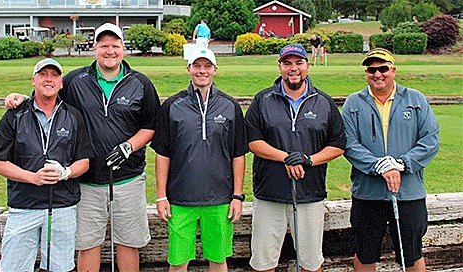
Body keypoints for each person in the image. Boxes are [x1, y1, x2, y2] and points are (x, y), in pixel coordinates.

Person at [4, 23, 161, 271]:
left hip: (128, 179)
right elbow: (48, 94)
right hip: (86, 182)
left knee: (128, 243)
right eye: (103, 46)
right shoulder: (76, 80)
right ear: (94, 49)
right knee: (88, 244)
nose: (110, 51)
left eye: (115, 45)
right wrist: (21, 98)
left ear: (123, 49)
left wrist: (128, 147)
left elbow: (151, 125)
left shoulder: (140, 83)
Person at [245, 44, 346, 272]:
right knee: (263, 262)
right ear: (279, 66)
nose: (293, 68)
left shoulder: (324, 102)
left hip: (309, 193)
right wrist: (286, 158)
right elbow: (252, 141)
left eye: (299, 63)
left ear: (307, 66)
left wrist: (308, 160)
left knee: (311, 263)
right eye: (287, 63)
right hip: (270, 192)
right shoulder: (263, 100)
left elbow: (338, 144)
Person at [0, 58, 93, 271]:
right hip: (23, 206)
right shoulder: (15, 115)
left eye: (54, 75)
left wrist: (65, 173)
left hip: (62, 206)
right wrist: (33, 178)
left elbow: (84, 161)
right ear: (33, 80)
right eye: (43, 74)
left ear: (61, 83)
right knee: (13, 267)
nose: (49, 79)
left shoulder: (73, 116)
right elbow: (0, 163)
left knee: (60, 268)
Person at [151, 47, 248, 272]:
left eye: (206, 66)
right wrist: (161, 196)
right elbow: (162, 153)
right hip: (181, 199)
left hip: (220, 198)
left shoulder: (230, 106)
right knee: (177, 263)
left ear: (215, 70)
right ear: (188, 69)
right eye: (197, 66)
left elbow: (238, 154)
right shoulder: (172, 106)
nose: (201, 71)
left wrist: (237, 195)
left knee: (218, 260)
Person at [341, 48, 439, 271]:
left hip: (408, 192)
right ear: (366, 72)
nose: (378, 74)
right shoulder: (353, 103)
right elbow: (348, 144)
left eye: (383, 68)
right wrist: (379, 165)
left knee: (412, 254)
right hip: (368, 193)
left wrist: (402, 163)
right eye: (372, 69)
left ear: (393, 70)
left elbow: (430, 140)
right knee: (365, 254)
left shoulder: (415, 100)